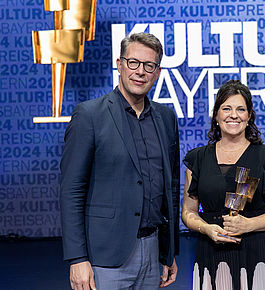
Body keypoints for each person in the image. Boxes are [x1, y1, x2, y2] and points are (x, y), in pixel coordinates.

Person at [60, 32, 179, 290]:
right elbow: (71, 190)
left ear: (157, 72)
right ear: (119, 64)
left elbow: (170, 189)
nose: (140, 72)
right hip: (105, 256)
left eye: (149, 66)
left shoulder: (166, 118)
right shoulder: (89, 115)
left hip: (153, 252)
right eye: (133, 62)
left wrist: (169, 252)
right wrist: (77, 258)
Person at [181, 80, 265, 290]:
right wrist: (205, 228)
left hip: (256, 253)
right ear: (216, 115)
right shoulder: (198, 159)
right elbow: (188, 212)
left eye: (241, 109)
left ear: (249, 115)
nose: (234, 115)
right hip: (211, 252)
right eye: (226, 109)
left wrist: (249, 225)